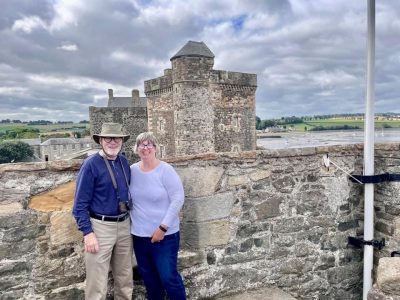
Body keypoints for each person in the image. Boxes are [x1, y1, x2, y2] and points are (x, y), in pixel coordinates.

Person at [73, 122, 133, 300]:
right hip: (100, 227)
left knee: (125, 279)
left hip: (124, 225)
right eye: (108, 138)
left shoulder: (123, 162)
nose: (112, 142)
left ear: (122, 141)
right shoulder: (90, 165)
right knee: (97, 284)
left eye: (117, 138)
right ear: (100, 140)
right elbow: (79, 205)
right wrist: (87, 233)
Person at [130, 132, 186, 300]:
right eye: (141, 144)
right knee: (150, 280)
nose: (145, 148)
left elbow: (178, 199)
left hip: (165, 236)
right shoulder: (131, 171)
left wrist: (162, 228)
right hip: (139, 236)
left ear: (155, 148)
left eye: (149, 144)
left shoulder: (165, 170)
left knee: (169, 278)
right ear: (137, 149)